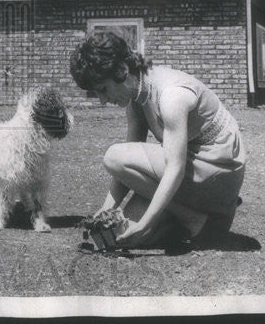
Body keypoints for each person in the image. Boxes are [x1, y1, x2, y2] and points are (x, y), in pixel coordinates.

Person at [69, 32, 246, 248]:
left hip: (217, 175)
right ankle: (200, 223)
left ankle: (192, 218)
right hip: (197, 174)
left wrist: (145, 224)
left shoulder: (171, 96)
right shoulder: (136, 92)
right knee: (118, 236)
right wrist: (106, 211)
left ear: (122, 70)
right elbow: (128, 164)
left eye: (103, 90)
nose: (103, 100)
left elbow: (173, 169)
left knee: (113, 157)